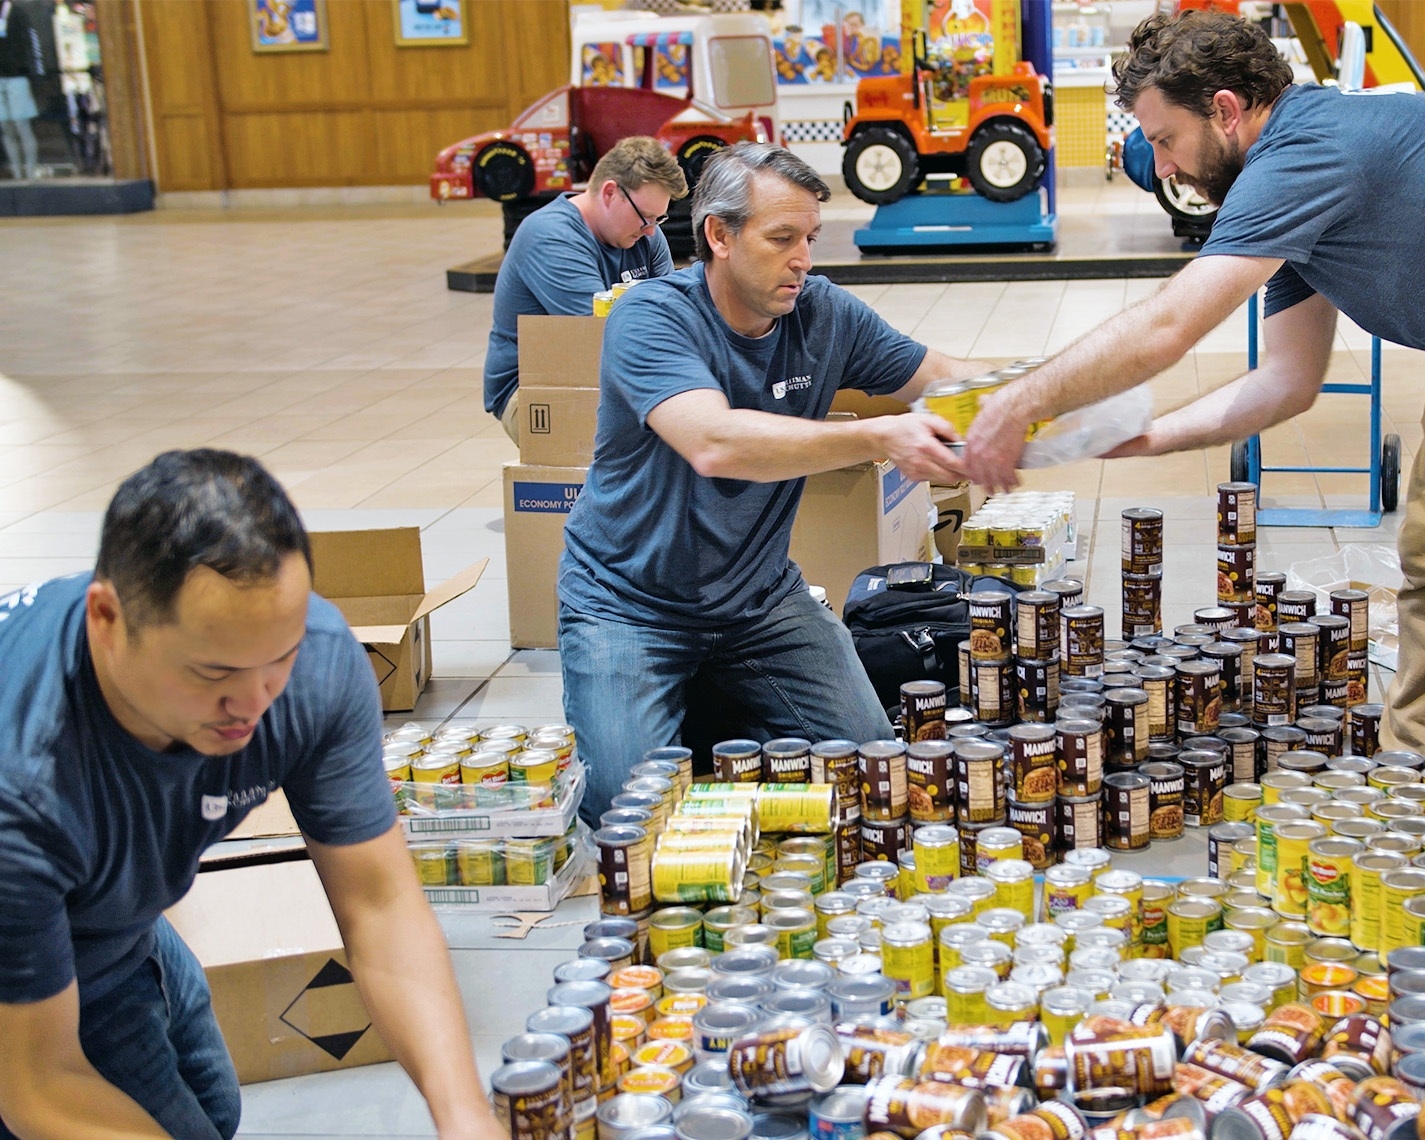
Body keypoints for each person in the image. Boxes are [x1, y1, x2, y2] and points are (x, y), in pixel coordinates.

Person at [962, 9, 1425, 755]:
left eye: (1166, 139)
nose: (1163, 167)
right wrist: (1147, 439)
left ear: (1228, 111)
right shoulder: (1294, 177)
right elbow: (1287, 381)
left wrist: (1022, 399)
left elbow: (1171, 324)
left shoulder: (1307, 153)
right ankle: (1419, 767)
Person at [0, 450, 504, 1140]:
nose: (254, 703)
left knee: (212, 1106)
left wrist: (465, 1117)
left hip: (111, 916)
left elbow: (380, 906)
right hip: (26, 972)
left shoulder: (313, 662)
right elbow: (38, 1084)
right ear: (107, 618)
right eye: (214, 672)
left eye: (280, 657)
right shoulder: (23, 780)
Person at [556, 141, 983, 824]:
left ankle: (720, 732)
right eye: (782, 237)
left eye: (811, 237)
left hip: (759, 601)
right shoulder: (652, 317)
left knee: (874, 768)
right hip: (629, 604)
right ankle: (702, 730)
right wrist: (878, 436)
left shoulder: (823, 313)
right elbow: (715, 442)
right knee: (624, 818)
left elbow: (948, 376)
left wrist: (1050, 393)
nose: (804, 260)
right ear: (718, 235)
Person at [482, 136, 689, 441]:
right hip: (535, 388)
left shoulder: (645, 235)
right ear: (609, 193)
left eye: (659, 218)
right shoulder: (551, 237)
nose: (651, 229)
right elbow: (605, 335)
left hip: (609, 375)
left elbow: (675, 316)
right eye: (645, 217)